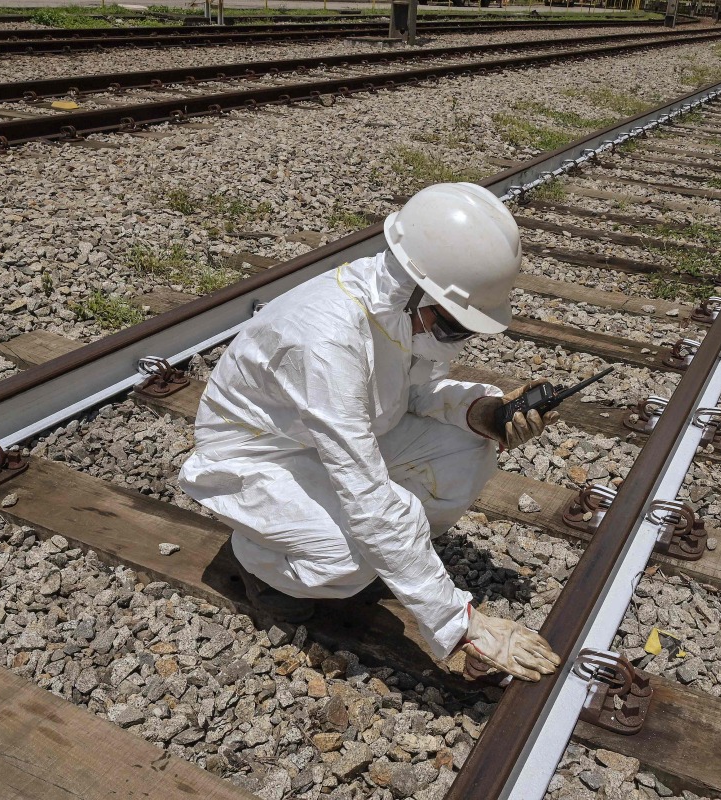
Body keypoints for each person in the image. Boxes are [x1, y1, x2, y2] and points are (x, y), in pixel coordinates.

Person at [179, 183, 561, 683]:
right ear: (414, 290)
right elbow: (365, 492)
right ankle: (261, 567)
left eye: (463, 331)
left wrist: (482, 412)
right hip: (259, 458)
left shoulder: (399, 311)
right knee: (344, 554)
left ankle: (389, 558)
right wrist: (459, 624)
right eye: (451, 328)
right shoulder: (326, 344)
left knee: (468, 447)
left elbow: (416, 391)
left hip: (329, 439)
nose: (453, 340)